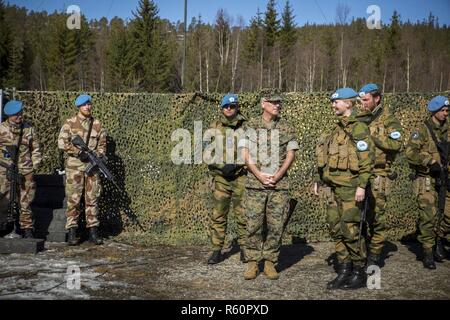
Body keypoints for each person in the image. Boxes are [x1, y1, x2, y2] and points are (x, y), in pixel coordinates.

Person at [314, 88, 375, 290]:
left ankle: (359, 271)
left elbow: (367, 162)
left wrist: (362, 186)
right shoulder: (336, 129)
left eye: (336, 102)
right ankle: (344, 269)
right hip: (332, 187)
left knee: (351, 230)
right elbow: (325, 159)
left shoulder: (359, 128)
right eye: (333, 102)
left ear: (348, 104)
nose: (333, 105)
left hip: (350, 188)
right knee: (336, 229)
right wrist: (319, 180)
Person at [239, 90, 299, 280]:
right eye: (273, 102)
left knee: (276, 225)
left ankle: (270, 262)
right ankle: (252, 262)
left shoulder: (287, 127)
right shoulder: (250, 125)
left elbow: (291, 153)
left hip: (279, 185)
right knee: (253, 225)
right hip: (255, 185)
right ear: (263, 103)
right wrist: (259, 175)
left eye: (279, 103)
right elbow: (245, 153)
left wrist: (278, 175)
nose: (277, 105)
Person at [358, 83, 403, 267]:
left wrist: (371, 137)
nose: (362, 103)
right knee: (358, 216)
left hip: (379, 175)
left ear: (377, 98)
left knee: (377, 218)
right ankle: (360, 254)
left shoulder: (389, 119)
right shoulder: (359, 117)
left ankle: (374, 255)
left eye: (366, 100)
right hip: (360, 174)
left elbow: (396, 144)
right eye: (361, 100)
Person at [405, 95, 450, 269]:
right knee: (428, 216)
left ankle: (438, 239)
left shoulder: (447, 129)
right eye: (443, 111)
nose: (446, 113)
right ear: (435, 111)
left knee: (447, 214)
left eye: (447, 110)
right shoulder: (422, 130)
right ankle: (428, 252)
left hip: (445, 178)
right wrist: (429, 162)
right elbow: (410, 153)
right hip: (426, 179)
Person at [58, 94, 106, 245]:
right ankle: (72, 232)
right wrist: (78, 152)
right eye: (84, 105)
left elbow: (102, 146)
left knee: (93, 199)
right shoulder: (70, 123)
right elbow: (61, 143)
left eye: (89, 104)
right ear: (79, 107)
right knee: (74, 199)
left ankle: (93, 232)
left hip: (92, 167)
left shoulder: (97, 124)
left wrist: (96, 155)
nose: (88, 107)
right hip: (75, 168)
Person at [206, 93, 248, 264]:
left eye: (232, 106)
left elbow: (254, 152)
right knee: (218, 215)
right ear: (222, 109)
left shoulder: (247, 127)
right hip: (221, 178)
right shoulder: (213, 127)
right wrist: (221, 167)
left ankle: (245, 249)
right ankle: (216, 250)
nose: (229, 109)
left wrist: (238, 165)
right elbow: (206, 152)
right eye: (226, 106)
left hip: (241, 177)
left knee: (244, 215)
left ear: (238, 107)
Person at [0, 100, 42, 238]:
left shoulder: (28, 129)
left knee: (26, 201)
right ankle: (4, 226)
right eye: (15, 115)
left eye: (20, 113)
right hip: (5, 172)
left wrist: (34, 165)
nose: (19, 116)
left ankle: (27, 228)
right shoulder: (1, 129)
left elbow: (36, 149)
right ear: (9, 116)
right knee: (4, 199)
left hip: (25, 171)